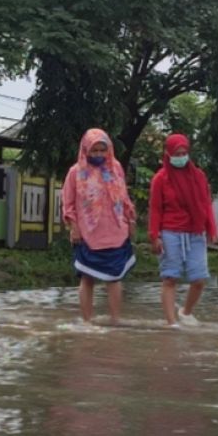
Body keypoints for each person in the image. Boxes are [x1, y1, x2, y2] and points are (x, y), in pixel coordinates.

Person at [62, 128, 137, 324]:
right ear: (85, 149)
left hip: (115, 232)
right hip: (88, 234)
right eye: (94, 151)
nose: (98, 155)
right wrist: (74, 227)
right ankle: (87, 322)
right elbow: (68, 204)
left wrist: (130, 220)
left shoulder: (115, 168)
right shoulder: (76, 173)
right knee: (87, 278)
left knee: (114, 279)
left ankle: (115, 321)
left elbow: (123, 197)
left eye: (102, 150)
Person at [149, 133, 217, 328]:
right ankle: (171, 323)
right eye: (177, 153)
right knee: (170, 277)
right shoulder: (160, 179)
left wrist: (211, 228)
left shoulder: (199, 177)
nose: (181, 156)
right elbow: (155, 209)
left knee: (199, 279)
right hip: (170, 232)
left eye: (184, 152)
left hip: (195, 232)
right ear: (168, 153)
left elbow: (205, 204)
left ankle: (186, 312)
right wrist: (155, 236)